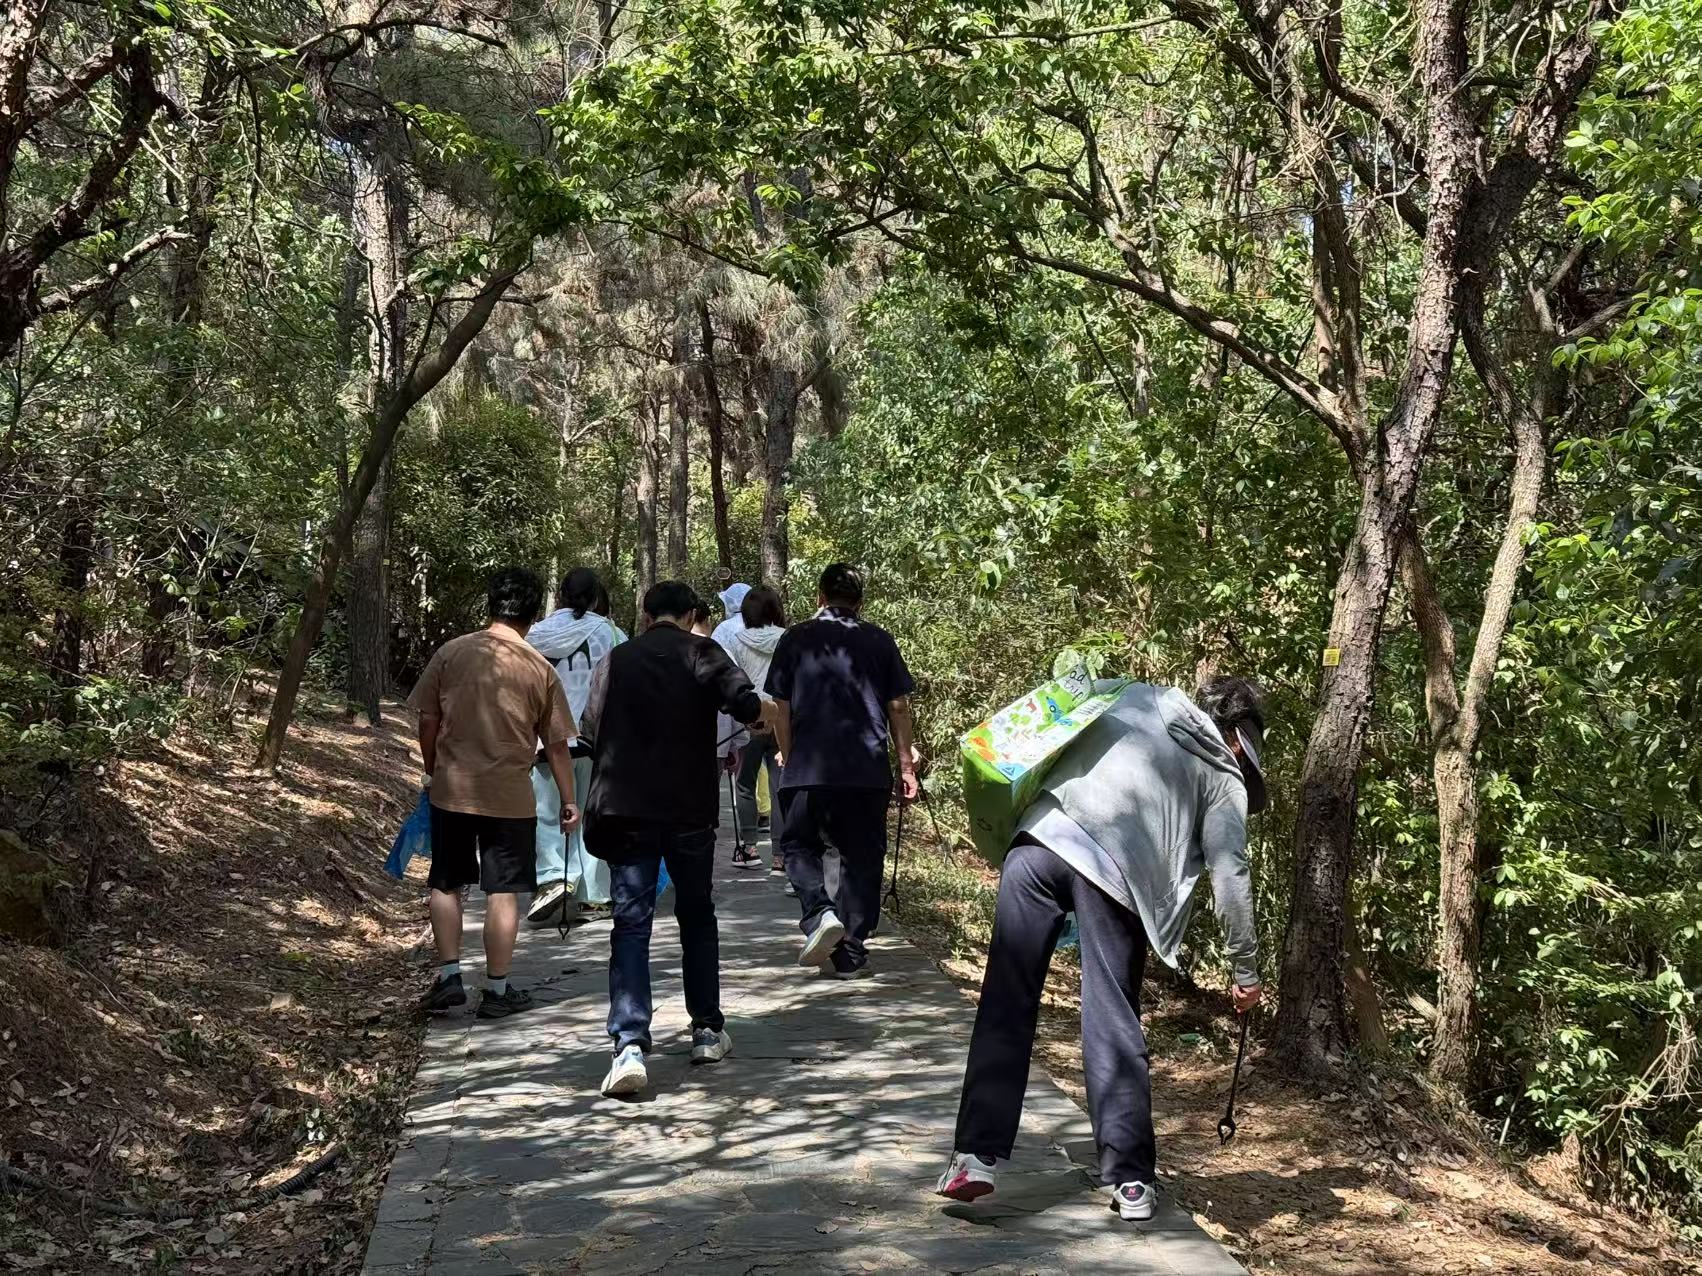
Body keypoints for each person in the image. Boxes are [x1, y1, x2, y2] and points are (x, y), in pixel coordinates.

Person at [935, 676, 1268, 1222]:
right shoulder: (1223, 773)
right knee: (1111, 1016)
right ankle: (1131, 1180)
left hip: (1038, 842)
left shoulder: (1136, 695)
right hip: (1114, 877)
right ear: (1237, 739)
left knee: (1005, 1002)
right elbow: (1230, 873)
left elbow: (1058, 720)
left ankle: (973, 1158)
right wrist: (1245, 970)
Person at [579, 580, 768, 1097]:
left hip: (626, 809)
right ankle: (706, 1029)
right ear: (689, 615)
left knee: (631, 922)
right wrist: (759, 718)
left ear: (646, 616)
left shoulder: (616, 659)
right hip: (689, 810)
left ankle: (629, 1044)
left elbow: (590, 728)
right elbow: (744, 701)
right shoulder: (703, 652)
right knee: (697, 915)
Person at [408, 568, 579, 1020]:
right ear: (532, 613)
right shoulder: (539, 668)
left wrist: (432, 768)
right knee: (504, 891)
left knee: (446, 881)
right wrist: (569, 800)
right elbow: (556, 745)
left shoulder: (451, 653)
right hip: (510, 797)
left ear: (491, 604)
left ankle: (450, 977)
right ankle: (498, 990)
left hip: (452, 790)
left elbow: (427, 719)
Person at [767, 563, 918, 978]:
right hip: (866, 767)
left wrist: (788, 754)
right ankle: (850, 951)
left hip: (808, 766)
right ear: (860, 602)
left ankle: (819, 913)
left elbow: (780, 707)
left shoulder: (795, 638)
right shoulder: (879, 640)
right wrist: (906, 765)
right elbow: (898, 707)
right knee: (862, 855)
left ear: (819, 596)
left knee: (799, 846)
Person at [525, 567, 627, 923]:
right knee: (591, 816)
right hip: (594, 739)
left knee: (546, 812)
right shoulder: (611, 633)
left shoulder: (536, 634)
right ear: (597, 597)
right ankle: (593, 897)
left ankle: (553, 877)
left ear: (561, 595)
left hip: (545, 739)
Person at [728, 586, 786, 873]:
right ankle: (780, 856)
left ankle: (749, 848)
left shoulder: (736, 641)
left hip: (749, 720)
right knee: (779, 788)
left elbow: (734, 684)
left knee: (745, 784)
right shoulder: (787, 638)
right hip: (781, 719)